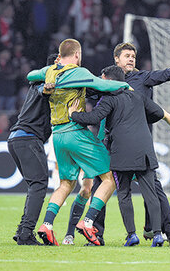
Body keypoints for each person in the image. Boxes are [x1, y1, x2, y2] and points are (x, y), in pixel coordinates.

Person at [90, 37, 170, 246]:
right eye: (127, 56)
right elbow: (87, 90)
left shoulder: (142, 78)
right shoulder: (107, 80)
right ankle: (97, 236)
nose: (131, 59)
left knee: (155, 190)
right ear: (116, 59)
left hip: (138, 144)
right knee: (99, 186)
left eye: (133, 56)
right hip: (112, 143)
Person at [68, 66, 170, 247]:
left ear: (109, 81)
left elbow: (93, 118)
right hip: (145, 150)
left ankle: (131, 235)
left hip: (122, 152)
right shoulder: (139, 96)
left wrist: (73, 114)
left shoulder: (109, 98)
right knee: (151, 193)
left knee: (124, 194)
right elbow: (160, 114)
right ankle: (159, 235)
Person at [27, 39, 130, 246]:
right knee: (109, 178)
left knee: (66, 183)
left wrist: (51, 70)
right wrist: (127, 84)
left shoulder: (50, 71)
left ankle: (47, 225)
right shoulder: (78, 72)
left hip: (57, 136)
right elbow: (103, 85)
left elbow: (30, 75)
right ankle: (88, 221)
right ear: (77, 54)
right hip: (75, 132)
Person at [7, 54, 55, 245]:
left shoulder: (35, 83)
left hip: (16, 138)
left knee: (35, 184)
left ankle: (22, 230)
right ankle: (26, 233)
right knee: (39, 184)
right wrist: (48, 88)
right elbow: (43, 90)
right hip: (28, 138)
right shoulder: (42, 84)